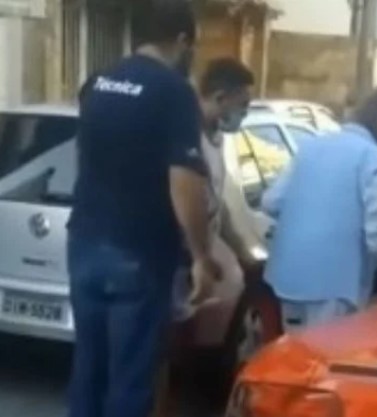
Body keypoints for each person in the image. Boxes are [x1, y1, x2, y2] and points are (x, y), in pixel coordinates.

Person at [67, 2, 218, 417]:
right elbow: (184, 180)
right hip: (139, 252)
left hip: (84, 244)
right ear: (182, 41)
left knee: (88, 371)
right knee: (131, 380)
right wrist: (201, 257)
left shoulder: (97, 83)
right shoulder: (173, 91)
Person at [261, 87, 377, 332]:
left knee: (295, 350)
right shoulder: (376, 160)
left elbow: (271, 202)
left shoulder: (310, 146)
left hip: (288, 278)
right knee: (328, 352)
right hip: (335, 285)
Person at [172, 57, 256, 323]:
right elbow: (189, 202)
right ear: (220, 98)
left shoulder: (216, 139)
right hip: (177, 260)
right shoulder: (186, 137)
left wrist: (244, 254)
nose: (244, 114)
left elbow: (216, 205)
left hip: (197, 260)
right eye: (242, 106)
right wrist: (201, 257)